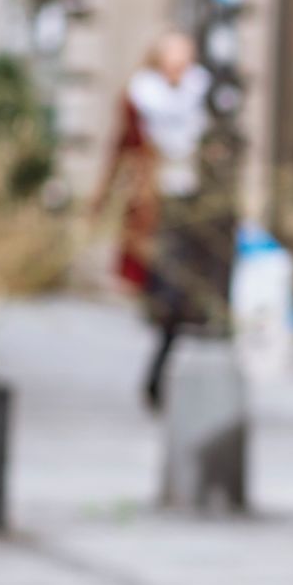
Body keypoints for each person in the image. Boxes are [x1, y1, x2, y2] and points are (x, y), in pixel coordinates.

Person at [92, 31, 218, 410]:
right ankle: (159, 369)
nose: (181, 64)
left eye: (186, 56)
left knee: (180, 295)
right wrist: (104, 198)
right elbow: (121, 149)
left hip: (195, 208)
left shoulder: (203, 95)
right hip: (154, 207)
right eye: (174, 56)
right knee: (166, 291)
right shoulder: (141, 97)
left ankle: (161, 370)